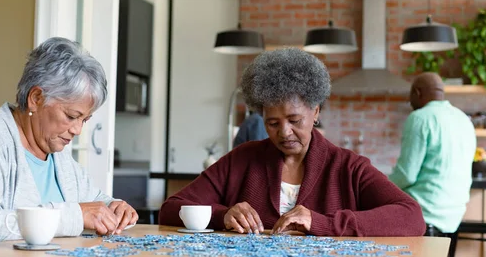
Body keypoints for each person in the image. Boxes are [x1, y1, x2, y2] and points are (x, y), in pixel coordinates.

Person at [159, 48, 426, 236]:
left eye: (295, 120)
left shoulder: (348, 167)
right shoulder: (242, 159)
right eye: (272, 123)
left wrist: (321, 222)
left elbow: (411, 217)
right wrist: (223, 214)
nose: (284, 132)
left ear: (316, 111)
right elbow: (171, 209)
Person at [0, 37, 138, 251]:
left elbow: (92, 202)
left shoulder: (57, 156)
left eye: (84, 120)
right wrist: (74, 216)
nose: (77, 130)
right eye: (71, 116)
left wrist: (115, 208)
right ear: (36, 98)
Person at [389, 72, 476, 233]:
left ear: (417, 93)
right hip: (453, 215)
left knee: (368, 216)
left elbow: (406, 175)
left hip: (424, 212)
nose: (410, 102)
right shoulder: (464, 119)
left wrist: (378, 184)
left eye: (410, 96)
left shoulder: (420, 118)